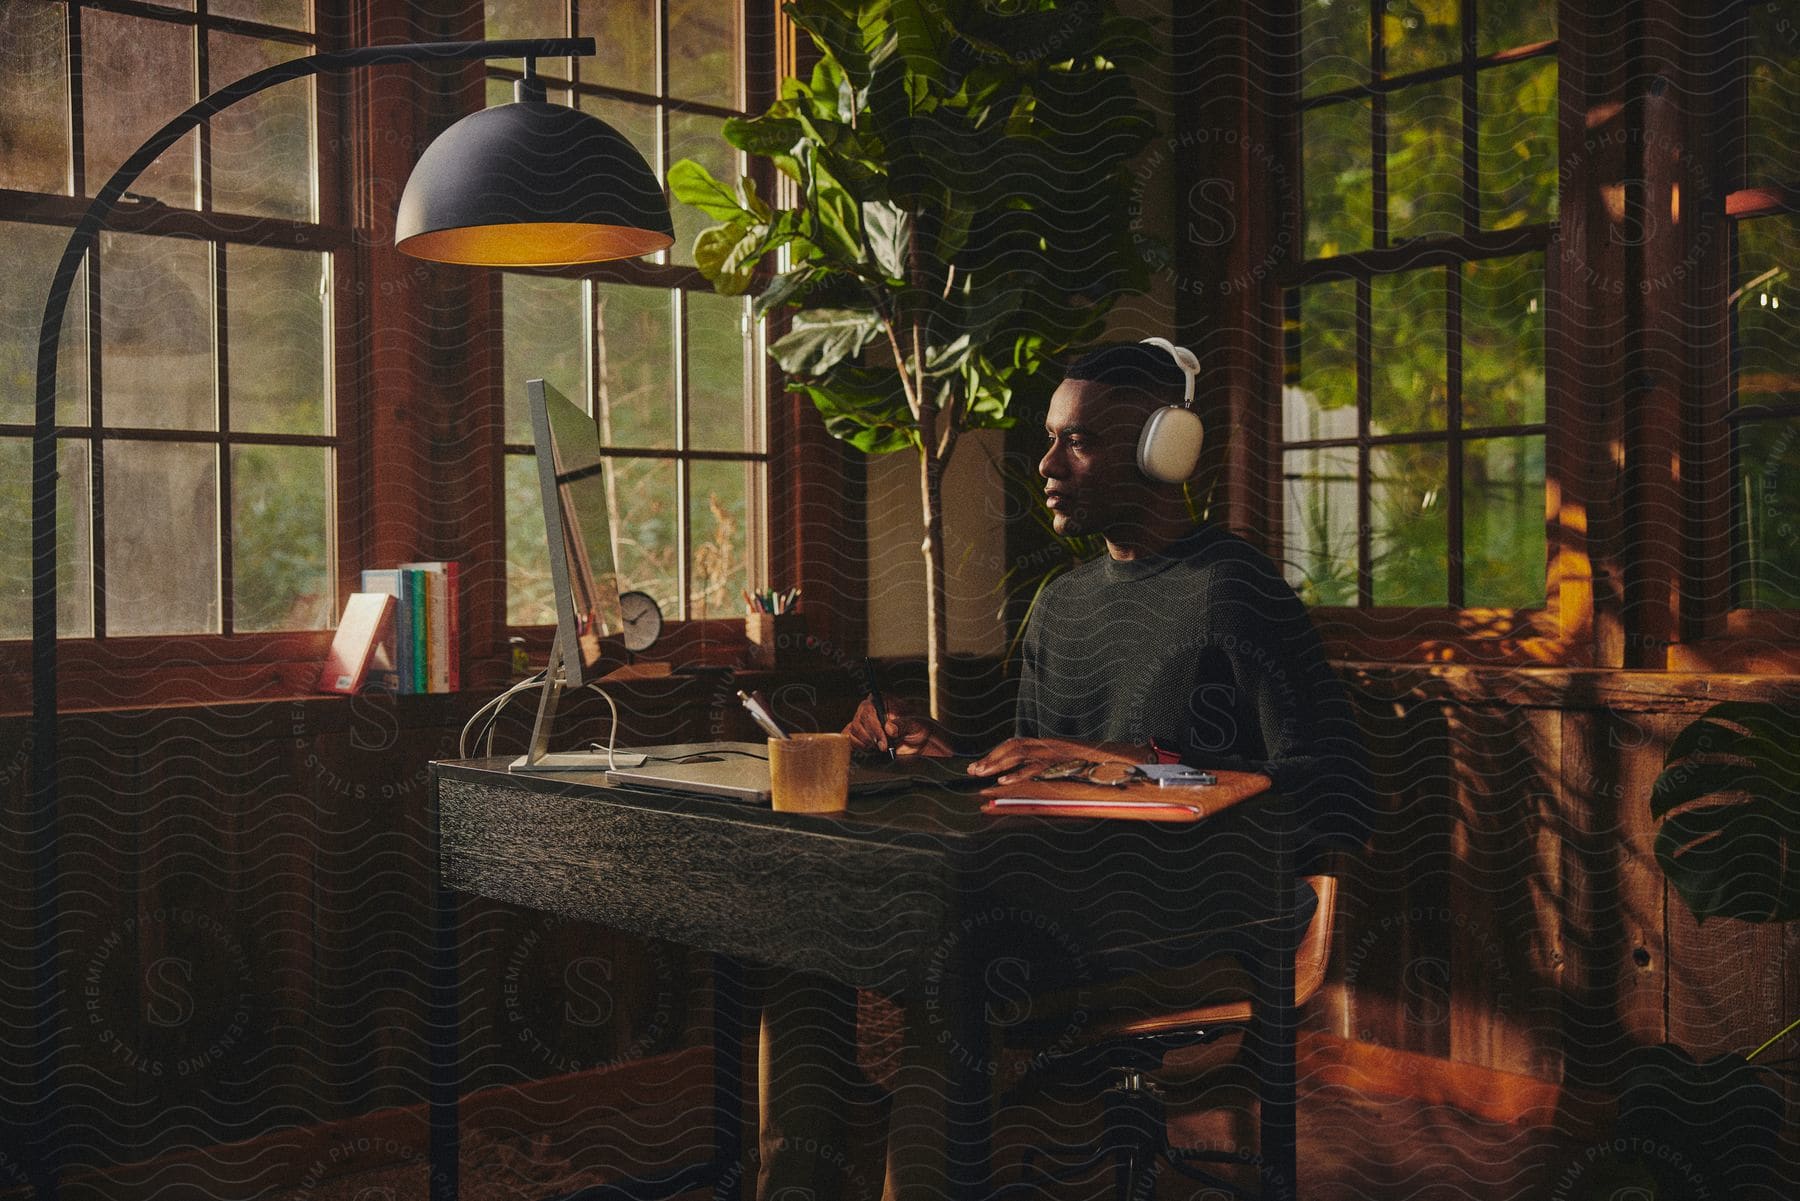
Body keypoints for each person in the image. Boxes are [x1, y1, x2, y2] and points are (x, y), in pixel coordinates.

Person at [761, 340, 1370, 1200]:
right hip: (1058, 902)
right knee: (801, 956)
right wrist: (948, 754)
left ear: (1166, 447)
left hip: (1187, 926)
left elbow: (1334, 789)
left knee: (950, 985)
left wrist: (1127, 762)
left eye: (1076, 441)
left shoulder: (1236, 590)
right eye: (1050, 438)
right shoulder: (1063, 604)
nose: (1046, 463)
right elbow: (1034, 790)